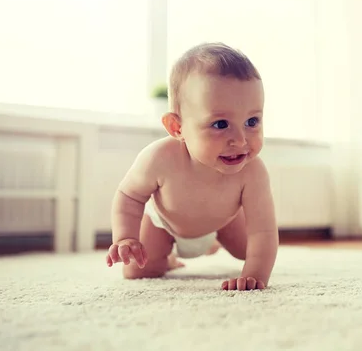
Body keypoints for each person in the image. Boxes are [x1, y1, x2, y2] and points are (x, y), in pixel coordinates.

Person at [105, 42, 278, 291]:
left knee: (251, 252)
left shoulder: (253, 173)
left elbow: (264, 231)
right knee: (137, 270)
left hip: (225, 222)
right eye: (220, 124)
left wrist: (254, 275)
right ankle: (170, 259)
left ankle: (212, 243)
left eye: (252, 121)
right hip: (163, 224)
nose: (240, 140)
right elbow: (129, 195)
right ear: (177, 128)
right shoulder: (158, 158)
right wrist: (126, 237)